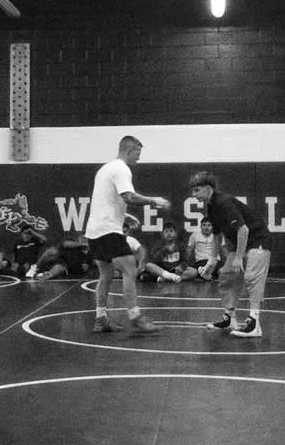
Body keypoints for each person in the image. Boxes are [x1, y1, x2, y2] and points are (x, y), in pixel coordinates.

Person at [88, 136, 172, 334]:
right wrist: (155, 200)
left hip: (94, 230)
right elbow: (129, 196)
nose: (139, 158)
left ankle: (100, 318)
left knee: (106, 274)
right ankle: (135, 316)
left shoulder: (105, 169)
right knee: (129, 269)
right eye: (138, 153)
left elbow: (104, 201)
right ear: (130, 150)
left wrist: (124, 215)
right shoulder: (121, 169)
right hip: (108, 230)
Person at [189, 171, 270, 338]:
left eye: (196, 190)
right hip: (242, 242)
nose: (193, 195)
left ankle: (254, 323)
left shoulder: (224, 202)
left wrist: (239, 257)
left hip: (258, 239)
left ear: (207, 188)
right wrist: (211, 261)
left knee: (252, 277)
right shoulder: (211, 206)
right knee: (226, 275)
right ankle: (230, 319)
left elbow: (243, 229)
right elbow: (217, 235)